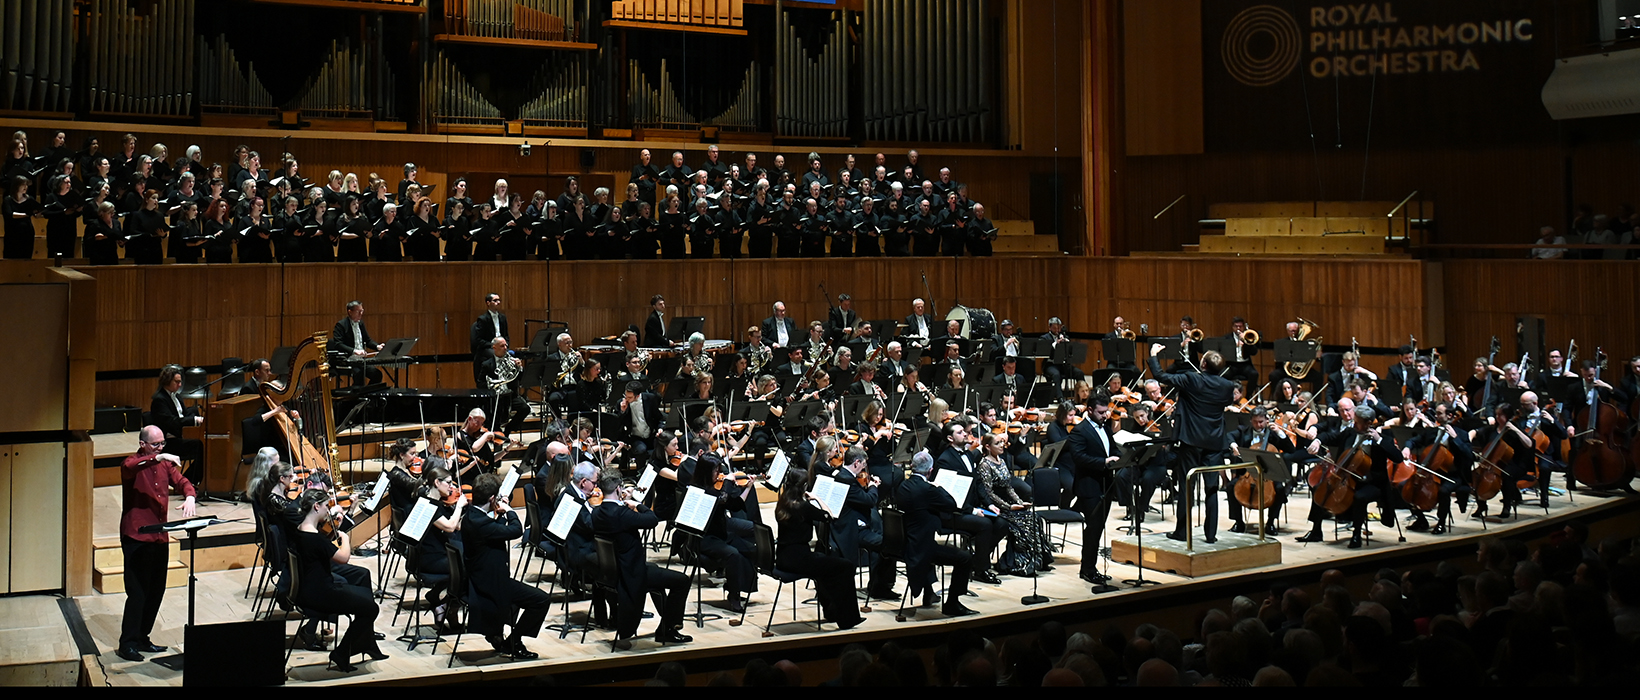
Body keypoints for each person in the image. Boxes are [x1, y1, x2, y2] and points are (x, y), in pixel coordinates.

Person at [116, 426, 197, 662]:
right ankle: (127, 643)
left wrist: (190, 495)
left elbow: (181, 481)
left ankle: (142, 637)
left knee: (156, 591)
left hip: (160, 536)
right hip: (136, 537)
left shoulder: (165, 464)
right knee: (138, 593)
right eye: (156, 444)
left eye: (163, 444)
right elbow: (130, 467)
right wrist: (157, 457)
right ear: (143, 444)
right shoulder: (132, 463)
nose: (161, 448)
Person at [288, 488, 388, 672]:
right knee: (371, 608)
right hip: (322, 594)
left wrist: (336, 529)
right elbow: (343, 557)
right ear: (316, 507)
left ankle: (365, 643)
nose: (328, 510)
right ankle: (342, 652)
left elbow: (322, 550)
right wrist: (345, 538)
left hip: (309, 589)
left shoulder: (300, 530)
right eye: (326, 506)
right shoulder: (314, 538)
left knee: (365, 594)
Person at [589, 474, 693, 649]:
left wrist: (624, 503)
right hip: (632, 573)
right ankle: (668, 630)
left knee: (657, 576)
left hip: (612, 572)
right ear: (618, 489)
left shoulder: (597, 512)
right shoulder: (622, 514)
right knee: (681, 581)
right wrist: (637, 504)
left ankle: (667, 625)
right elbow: (652, 520)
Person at [1148, 343, 1238, 544]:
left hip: (1191, 440)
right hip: (1214, 442)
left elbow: (1162, 377)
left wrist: (1153, 355)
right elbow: (1224, 403)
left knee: (1187, 486)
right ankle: (1210, 534)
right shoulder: (1227, 386)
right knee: (1212, 488)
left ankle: (1182, 532)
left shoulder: (1191, 379)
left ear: (1203, 363)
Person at [460, 472, 551, 660]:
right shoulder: (480, 523)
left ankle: (505, 637)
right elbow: (515, 530)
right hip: (491, 583)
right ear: (492, 498)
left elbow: (495, 532)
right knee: (540, 600)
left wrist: (500, 515)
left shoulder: (473, 515)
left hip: (485, 577)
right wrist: (509, 511)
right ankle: (513, 642)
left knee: (525, 599)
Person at [772, 467, 866, 630]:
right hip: (799, 559)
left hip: (783, 557)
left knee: (826, 569)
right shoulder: (803, 507)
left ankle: (832, 611)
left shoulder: (783, 502)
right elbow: (829, 516)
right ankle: (848, 618)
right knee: (845, 566)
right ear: (804, 487)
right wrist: (817, 499)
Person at [896, 450, 976, 616]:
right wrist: (938, 487)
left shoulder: (903, 486)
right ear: (931, 471)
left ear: (912, 467)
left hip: (907, 542)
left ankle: (929, 593)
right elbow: (951, 504)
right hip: (921, 547)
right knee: (964, 558)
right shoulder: (928, 489)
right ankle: (952, 603)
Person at [976, 433, 1049, 575]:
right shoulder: (984, 465)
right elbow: (989, 493)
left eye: (1002, 442)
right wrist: (1008, 507)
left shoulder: (1001, 461)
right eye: (997, 443)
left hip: (1008, 504)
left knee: (1034, 518)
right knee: (1024, 523)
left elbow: (1009, 487)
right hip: (994, 506)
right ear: (987, 447)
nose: (1002, 445)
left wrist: (1020, 502)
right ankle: (1015, 563)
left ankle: (1037, 561)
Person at [1067, 400, 1120, 582]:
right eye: (1101, 412)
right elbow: (1079, 458)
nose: (1105, 415)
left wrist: (1121, 457)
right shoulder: (1079, 431)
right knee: (1093, 529)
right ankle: (1087, 569)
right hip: (1089, 487)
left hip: (1105, 485)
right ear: (1089, 410)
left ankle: (1090, 567)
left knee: (1098, 529)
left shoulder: (1105, 427)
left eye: (1106, 412)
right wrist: (1103, 462)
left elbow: (1112, 448)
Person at [148, 365, 205, 484]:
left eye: (180, 382)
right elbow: (171, 422)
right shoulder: (160, 400)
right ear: (167, 381)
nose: (180, 385)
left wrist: (194, 413)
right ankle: (186, 481)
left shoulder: (177, 396)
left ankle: (191, 480)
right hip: (170, 442)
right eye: (177, 382)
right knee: (200, 446)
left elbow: (182, 415)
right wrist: (194, 420)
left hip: (179, 436)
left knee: (207, 444)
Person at [482, 337, 529, 435]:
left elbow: (521, 379)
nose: (505, 348)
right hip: (495, 396)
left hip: (511, 394)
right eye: (502, 346)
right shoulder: (487, 364)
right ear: (494, 348)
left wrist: (520, 368)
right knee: (496, 409)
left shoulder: (512, 362)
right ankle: (497, 432)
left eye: (506, 345)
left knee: (525, 408)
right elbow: (480, 382)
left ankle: (509, 428)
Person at [328, 300, 383, 385]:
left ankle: (366, 394)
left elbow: (367, 340)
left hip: (360, 360)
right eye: (358, 311)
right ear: (350, 312)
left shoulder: (360, 323)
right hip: (347, 359)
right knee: (359, 375)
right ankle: (356, 396)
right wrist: (354, 351)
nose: (361, 313)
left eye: (362, 311)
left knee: (377, 375)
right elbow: (338, 344)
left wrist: (377, 346)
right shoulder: (341, 325)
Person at [471, 292, 509, 388]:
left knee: (512, 356)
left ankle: (509, 385)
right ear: (488, 303)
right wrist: (493, 345)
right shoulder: (482, 319)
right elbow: (478, 340)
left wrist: (505, 345)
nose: (498, 302)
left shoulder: (502, 318)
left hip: (499, 346)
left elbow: (506, 336)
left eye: (499, 300)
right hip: (488, 347)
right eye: (495, 300)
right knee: (494, 354)